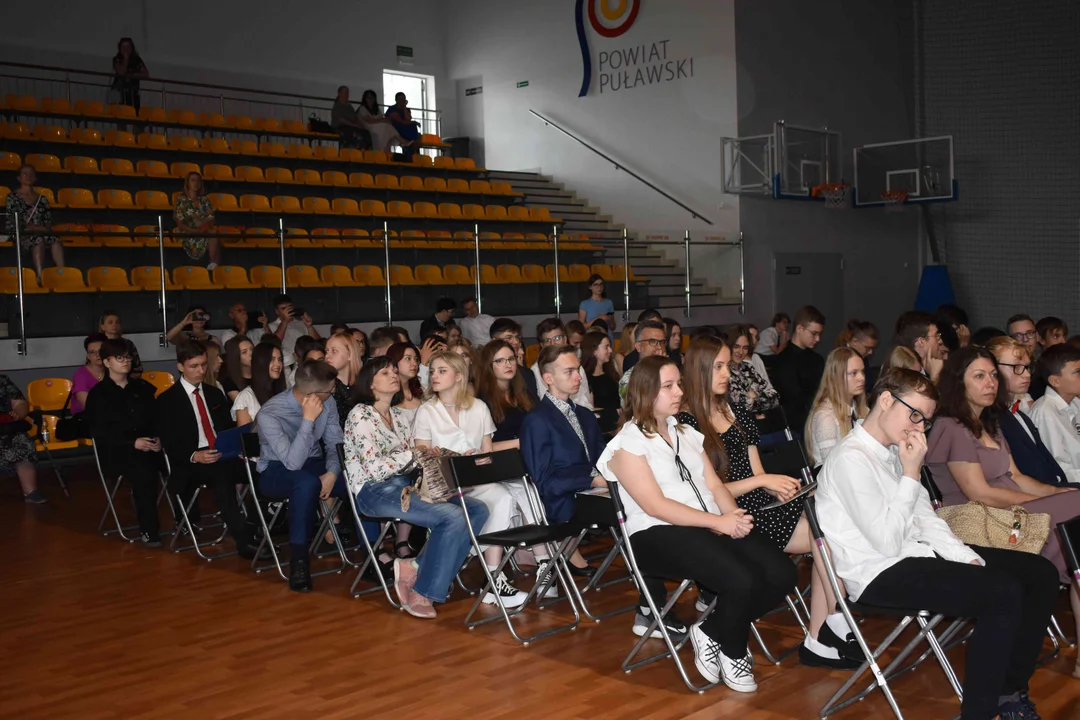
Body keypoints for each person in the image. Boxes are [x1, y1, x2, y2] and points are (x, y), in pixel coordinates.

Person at [819, 367, 1059, 720]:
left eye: (925, 420)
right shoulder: (850, 459)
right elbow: (886, 542)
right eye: (914, 415)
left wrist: (966, 558)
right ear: (885, 401)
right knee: (1001, 592)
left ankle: (1009, 693)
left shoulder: (893, 451)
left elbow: (927, 522)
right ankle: (978, 712)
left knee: (1040, 573)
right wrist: (912, 473)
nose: (919, 428)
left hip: (919, 555)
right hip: (879, 571)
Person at [598, 355, 798, 691]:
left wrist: (732, 515)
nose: (679, 391)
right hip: (656, 535)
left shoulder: (686, 432)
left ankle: (710, 630)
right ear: (646, 392)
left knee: (782, 573)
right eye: (669, 386)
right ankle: (734, 652)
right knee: (740, 578)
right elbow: (656, 506)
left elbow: (715, 485)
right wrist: (719, 523)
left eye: (679, 384)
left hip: (705, 523)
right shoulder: (625, 445)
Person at [677, 336, 858, 669]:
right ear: (698, 369)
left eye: (727, 366)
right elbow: (708, 491)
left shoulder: (737, 412)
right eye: (718, 367)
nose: (726, 374)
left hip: (763, 505)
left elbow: (758, 471)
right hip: (731, 513)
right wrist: (764, 482)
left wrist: (780, 489)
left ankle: (826, 629)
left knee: (830, 529)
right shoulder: (687, 423)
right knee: (827, 538)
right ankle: (827, 629)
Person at [926, 346, 1080, 675]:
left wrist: (1057, 492)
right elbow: (978, 493)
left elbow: (1018, 478)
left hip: (1013, 513)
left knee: (1077, 521)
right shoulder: (951, 427)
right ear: (958, 382)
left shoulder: (990, 423)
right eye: (979, 376)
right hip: (982, 523)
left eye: (993, 375)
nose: (990, 383)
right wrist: (1048, 503)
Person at [344, 357, 490, 619]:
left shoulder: (399, 416)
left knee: (477, 510)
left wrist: (428, 454)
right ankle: (424, 592)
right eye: (385, 372)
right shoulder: (360, 414)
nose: (393, 375)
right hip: (374, 491)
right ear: (370, 383)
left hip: (407, 487)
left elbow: (413, 460)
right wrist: (412, 454)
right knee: (452, 516)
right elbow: (375, 470)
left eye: (393, 371)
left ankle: (414, 567)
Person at [412, 351, 532, 608]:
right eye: (433, 371)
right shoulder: (426, 411)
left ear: (458, 376)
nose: (434, 376)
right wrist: (450, 456)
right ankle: (491, 575)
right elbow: (420, 453)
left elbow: (488, 452)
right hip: (443, 487)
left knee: (504, 496)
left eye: (442, 371)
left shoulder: (478, 407)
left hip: (476, 480)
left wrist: (476, 457)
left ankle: (493, 578)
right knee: (500, 498)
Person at [156, 342, 262, 559]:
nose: (201, 371)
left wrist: (233, 447)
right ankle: (244, 541)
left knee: (261, 471)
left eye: (204, 365)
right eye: (194, 366)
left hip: (220, 453)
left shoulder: (214, 394)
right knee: (223, 477)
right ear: (181, 367)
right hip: (191, 461)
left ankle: (254, 527)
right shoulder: (167, 400)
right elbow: (169, 441)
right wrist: (194, 455)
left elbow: (226, 429)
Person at [256, 360, 348, 592]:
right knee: (305, 484)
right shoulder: (270, 412)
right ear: (314, 393)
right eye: (330, 389)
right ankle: (299, 560)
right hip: (276, 470)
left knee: (358, 478)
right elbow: (292, 463)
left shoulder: (328, 404)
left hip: (315, 465)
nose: (334, 392)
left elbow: (335, 444)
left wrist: (332, 473)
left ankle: (373, 552)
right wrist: (307, 420)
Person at [519, 344, 604, 576]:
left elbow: (603, 457)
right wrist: (592, 480)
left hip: (593, 494)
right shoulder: (537, 420)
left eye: (578, 370)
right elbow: (545, 482)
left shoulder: (585, 415)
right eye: (569, 371)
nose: (578, 377)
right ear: (548, 378)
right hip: (565, 499)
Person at [85, 339, 163, 545]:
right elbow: (100, 432)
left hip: (147, 447)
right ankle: (149, 530)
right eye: (119, 357)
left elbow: (156, 420)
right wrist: (132, 443)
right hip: (117, 450)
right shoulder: (98, 395)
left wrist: (158, 439)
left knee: (184, 459)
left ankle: (188, 522)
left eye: (127, 356)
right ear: (107, 362)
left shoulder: (142, 388)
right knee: (144, 471)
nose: (125, 361)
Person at [986, 336, 1068, 487]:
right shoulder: (992, 418)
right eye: (1016, 367)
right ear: (993, 370)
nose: (1027, 374)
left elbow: (1047, 464)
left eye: (1028, 367)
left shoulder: (1020, 414)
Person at [806, 347, 868, 466]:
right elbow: (832, 467)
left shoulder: (859, 407)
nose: (862, 378)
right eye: (854, 373)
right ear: (837, 376)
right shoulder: (825, 416)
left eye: (862, 371)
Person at [1029, 343, 1080, 484]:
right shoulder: (1045, 412)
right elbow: (1059, 470)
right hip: (1066, 490)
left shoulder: (1075, 402)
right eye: (1078, 372)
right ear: (1055, 381)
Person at [772, 306, 826, 433]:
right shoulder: (783, 361)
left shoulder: (817, 359)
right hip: (798, 426)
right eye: (814, 334)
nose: (818, 339)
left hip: (818, 419)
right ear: (799, 329)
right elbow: (793, 402)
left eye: (819, 334)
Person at [476, 339, 535, 450]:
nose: (508, 365)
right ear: (488, 365)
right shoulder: (482, 401)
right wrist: (521, 442)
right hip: (503, 461)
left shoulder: (523, 393)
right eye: (500, 361)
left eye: (511, 359)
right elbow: (481, 447)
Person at [6, 165, 62, 280]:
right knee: (38, 240)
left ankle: (62, 271)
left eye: (32, 174)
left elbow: (47, 222)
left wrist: (37, 228)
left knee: (55, 241)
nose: (29, 176)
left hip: (41, 231)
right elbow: (12, 221)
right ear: (19, 178)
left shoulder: (42, 199)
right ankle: (40, 276)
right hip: (23, 235)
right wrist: (29, 228)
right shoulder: (12, 197)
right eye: (25, 174)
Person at [0, 374, 45, 503]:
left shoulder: (3, 381)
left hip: (4, 429)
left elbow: (20, 403)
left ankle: (31, 492)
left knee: (22, 441)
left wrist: (17, 414)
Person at [532, 319, 593, 408]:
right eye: (547, 340)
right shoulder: (536, 371)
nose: (553, 343)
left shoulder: (575, 364)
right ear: (542, 345)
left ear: (565, 339)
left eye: (557, 338)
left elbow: (585, 397)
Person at [726, 325, 778, 416]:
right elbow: (744, 406)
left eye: (745, 348)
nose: (740, 352)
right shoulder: (724, 372)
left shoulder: (748, 367)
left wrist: (754, 396)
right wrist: (760, 396)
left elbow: (775, 398)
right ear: (729, 346)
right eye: (736, 346)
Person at [173, 171, 220, 270]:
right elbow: (180, 224)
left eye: (198, 180)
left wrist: (203, 227)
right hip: (187, 232)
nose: (196, 183)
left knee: (214, 232)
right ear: (188, 183)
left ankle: (212, 264)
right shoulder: (182, 200)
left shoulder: (204, 200)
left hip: (204, 230)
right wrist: (194, 230)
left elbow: (211, 219)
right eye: (193, 180)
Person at [231, 342, 285, 426]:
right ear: (261, 362)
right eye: (272, 359)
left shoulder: (282, 392)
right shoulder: (245, 397)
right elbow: (245, 436)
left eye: (279, 359)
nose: (278, 364)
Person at [581, 330, 620, 434]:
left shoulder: (611, 373)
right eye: (606, 347)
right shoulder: (585, 379)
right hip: (602, 429)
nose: (610, 350)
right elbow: (591, 409)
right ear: (594, 350)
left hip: (617, 425)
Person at [618, 320, 668, 401]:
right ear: (639, 346)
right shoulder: (629, 379)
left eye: (662, 342)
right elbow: (640, 407)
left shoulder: (670, 370)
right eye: (652, 341)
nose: (659, 347)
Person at [489, 318, 538, 399]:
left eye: (517, 337)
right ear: (494, 341)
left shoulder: (526, 372)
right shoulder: (485, 369)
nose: (515, 342)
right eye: (509, 338)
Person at [323, 333, 361, 429]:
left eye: (334, 351)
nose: (327, 355)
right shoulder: (323, 387)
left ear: (350, 354)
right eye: (326, 351)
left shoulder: (364, 384)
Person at [894, 310, 944, 382]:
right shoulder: (905, 374)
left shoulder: (926, 369)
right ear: (921, 342)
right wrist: (934, 378)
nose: (940, 341)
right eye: (936, 336)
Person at [269, 294, 317, 366]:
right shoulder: (271, 326)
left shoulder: (302, 323)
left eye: (289, 307)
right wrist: (285, 321)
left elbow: (317, 342)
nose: (287, 310)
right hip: (286, 364)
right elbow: (275, 342)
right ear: (277, 311)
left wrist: (309, 326)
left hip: (305, 362)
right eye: (283, 308)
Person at [385, 342, 423, 431]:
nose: (414, 363)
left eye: (416, 359)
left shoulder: (421, 392)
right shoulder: (386, 395)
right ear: (394, 361)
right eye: (408, 358)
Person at [357, 89, 405, 154]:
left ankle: (387, 149)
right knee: (386, 127)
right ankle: (400, 141)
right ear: (365, 99)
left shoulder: (376, 109)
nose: (371, 100)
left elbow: (381, 118)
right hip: (369, 126)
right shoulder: (362, 108)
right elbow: (370, 121)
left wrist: (386, 120)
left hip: (378, 126)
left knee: (388, 128)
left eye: (372, 98)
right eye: (369, 98)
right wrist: (383, 120)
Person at [72, 333, 107, 414]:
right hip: (86, 419)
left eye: (100, 351)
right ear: (88, 356)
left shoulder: (114, 371)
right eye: (92, 352)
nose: (97, 355)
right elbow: (88, 406)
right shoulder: (81, 374)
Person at [111, 37, 148, 112]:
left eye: (128, 46)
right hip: (118, 91)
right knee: (120, 116)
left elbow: (145, 74)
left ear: (132, 48)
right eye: (123, 46)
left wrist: (132, 75)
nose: (125, 49)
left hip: (132, 92)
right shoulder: (117, 59)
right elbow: (121, 72)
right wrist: (126, 59)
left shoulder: (137, 60)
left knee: (135, 116)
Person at [385, 92, 422, 159]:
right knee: (413, 126)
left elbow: (407, 119)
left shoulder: (405, 110)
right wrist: (414, 122)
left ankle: (415, 154)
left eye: (403, 99)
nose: (402, 101)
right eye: (400, 99)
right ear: (396, 100)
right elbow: (401, 122)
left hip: (406, 128)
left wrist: (404, 107)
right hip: (396, 128)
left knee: (415, 130)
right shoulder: (392, 109)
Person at [221, 336, 253, 402]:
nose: (251, 354)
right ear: (235, 356)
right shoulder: (229, 382)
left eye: (252, 349)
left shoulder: (262, 375)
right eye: (244, 352)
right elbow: (244, 405)